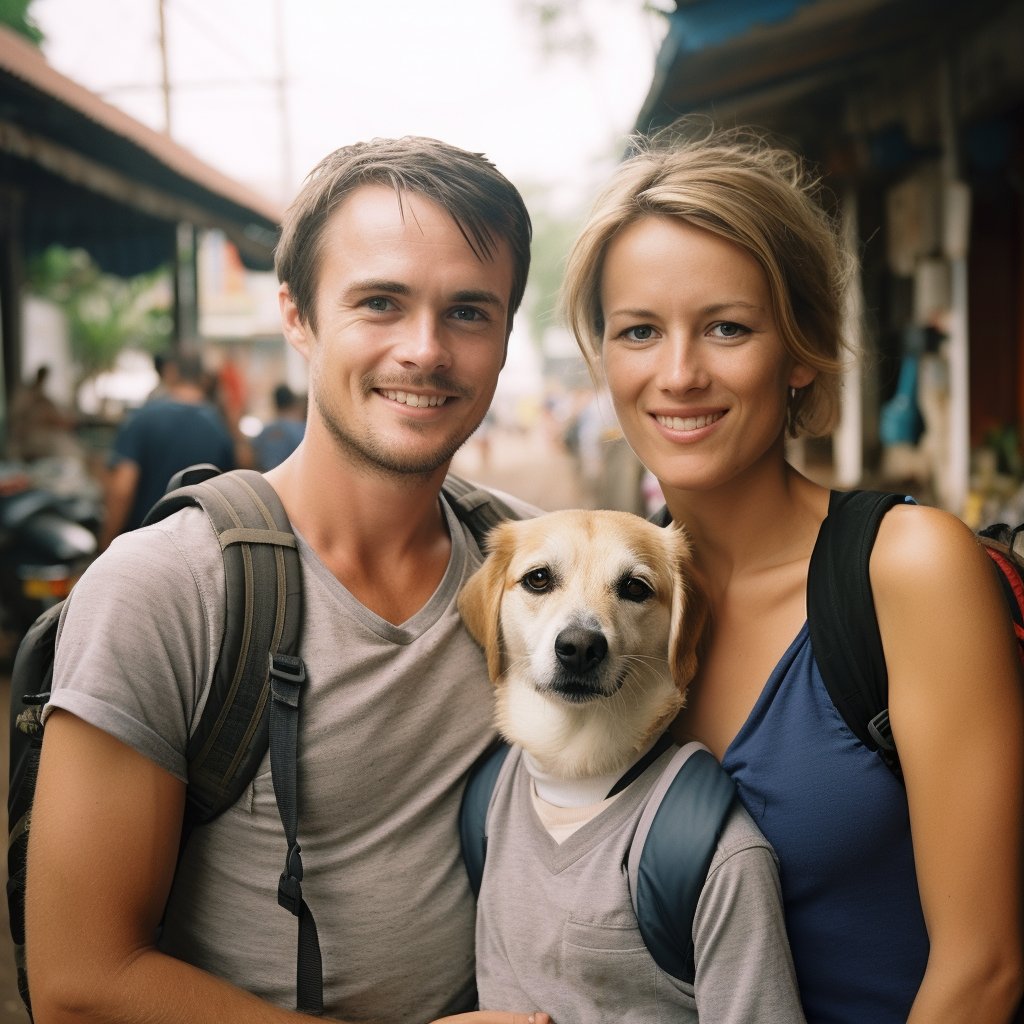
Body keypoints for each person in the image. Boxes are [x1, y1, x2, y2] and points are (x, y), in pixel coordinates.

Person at [26, 136, 547, 1024]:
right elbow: (82, 981)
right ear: (297, 316)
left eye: (468, 311)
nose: (424, 350)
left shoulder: (524, 563)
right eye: (380, 302)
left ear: (504, 337)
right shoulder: (169, 588)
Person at [560, 120, 1024, 1023]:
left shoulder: (907, 570)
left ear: (801, 353)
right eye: (640, 331)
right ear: (605, 361)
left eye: (727, 328)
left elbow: (985, 969)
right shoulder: (606, 610)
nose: (679, 373)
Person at [98, 349, 237, 550]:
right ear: (202, 377)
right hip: (200, 551)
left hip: (143, 549)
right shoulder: (220, 427)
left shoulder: (143, 419)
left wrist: (105, 547)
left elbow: (122, 490)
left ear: (170, 372)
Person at [252, 383, 307, 470]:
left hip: (265, 478)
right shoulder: (300, 431)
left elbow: (251, 456)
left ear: (275, 404)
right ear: (293, 403)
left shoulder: (264, 432)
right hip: (291, 479)